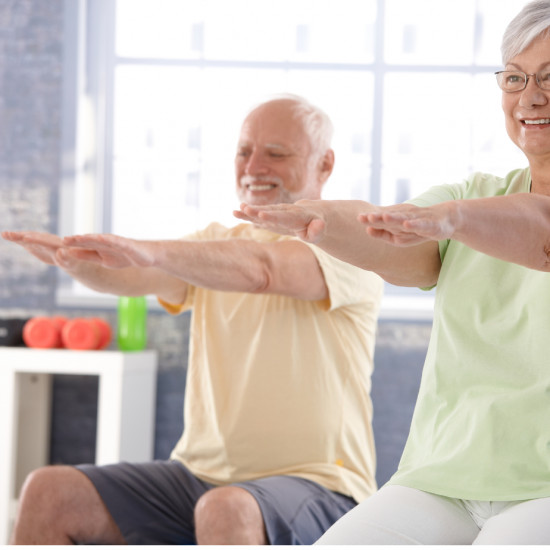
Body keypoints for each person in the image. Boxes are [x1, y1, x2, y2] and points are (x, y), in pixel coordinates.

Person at [2, 94, 384, 545]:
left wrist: (156, 250)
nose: (254, 165)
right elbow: (136, 272)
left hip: (321, 485)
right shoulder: (214, 247)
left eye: (276, 154)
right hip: (199, 476)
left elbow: (265, 270)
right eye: (244, 151)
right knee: (49, 492)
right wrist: (75, 259)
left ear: (325, 164)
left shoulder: (351, 241)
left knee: (226, 509)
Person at [235, 3, 550, 545]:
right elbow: (395, 241)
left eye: (549, 78)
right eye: (516, 78)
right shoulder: (472, 195)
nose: (530, 98)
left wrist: (452, 221)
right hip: (443, 478)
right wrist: (321, 221)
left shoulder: (465, 211)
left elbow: (538, 229)